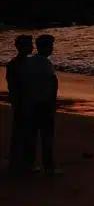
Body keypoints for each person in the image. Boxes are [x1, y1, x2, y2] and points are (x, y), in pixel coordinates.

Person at [24, 34, 59, 175]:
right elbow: (52, 84)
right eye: (50, 46)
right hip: (44, 104)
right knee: (47, 137)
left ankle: (30, 164)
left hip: (31, 103)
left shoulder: (29, 62)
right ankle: (48, 166)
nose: (52, 48)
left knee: (32, 135)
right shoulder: (45, 64)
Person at [5, 34, 33, 175]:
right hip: (22, 101)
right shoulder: (17, 65)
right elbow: (15, 86)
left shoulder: (18, 64)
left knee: (22, 132)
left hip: (22, 101)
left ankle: (20, 162)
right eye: (29, 44)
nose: (32, 47)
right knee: (23, 132)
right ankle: (21, 163)